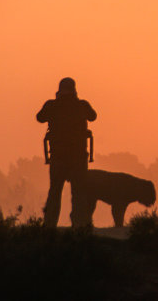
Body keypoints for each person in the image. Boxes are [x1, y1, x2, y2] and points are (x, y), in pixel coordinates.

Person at [36, 77, 97, 227]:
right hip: (78, 157)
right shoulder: (81, 105)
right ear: (74, 89)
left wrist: (57, 102)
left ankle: (50, 225)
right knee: (79, 193)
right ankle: (80, 226)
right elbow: (93, 116)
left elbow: (40, 118)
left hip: (58, 157)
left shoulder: (52, 105)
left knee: (55, 192)